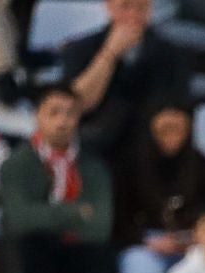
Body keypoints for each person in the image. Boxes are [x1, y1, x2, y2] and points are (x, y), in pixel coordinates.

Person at [0, 84, 126, 273]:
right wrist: (75, 212)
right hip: (37, 248)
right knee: (31, 243)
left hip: (80, 248)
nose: (62, 121)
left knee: (100, 250)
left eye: (70, 114)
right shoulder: (15, 164)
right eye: (54, 113)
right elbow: (19, 219)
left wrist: (46, 214)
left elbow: (101, 224)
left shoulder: (94, 165)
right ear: (37, 116)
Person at [114, 100, 205, 273]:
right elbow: (118, 222)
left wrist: (197, 237)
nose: (171, 138)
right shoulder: (131, 164)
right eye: (164, 131)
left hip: (194, 241)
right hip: (147, 242)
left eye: (178, 130)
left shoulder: (202, 164)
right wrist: (147, 241)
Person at [61, 0, 195, 157]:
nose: (133, 15)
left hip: (150, 151)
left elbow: (178, 110)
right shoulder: (79, 50)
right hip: (94, 146)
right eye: (126, 6)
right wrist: (109, 54)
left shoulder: (173, 55)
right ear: (109, 7)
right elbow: (76, 104)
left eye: (141, 8)